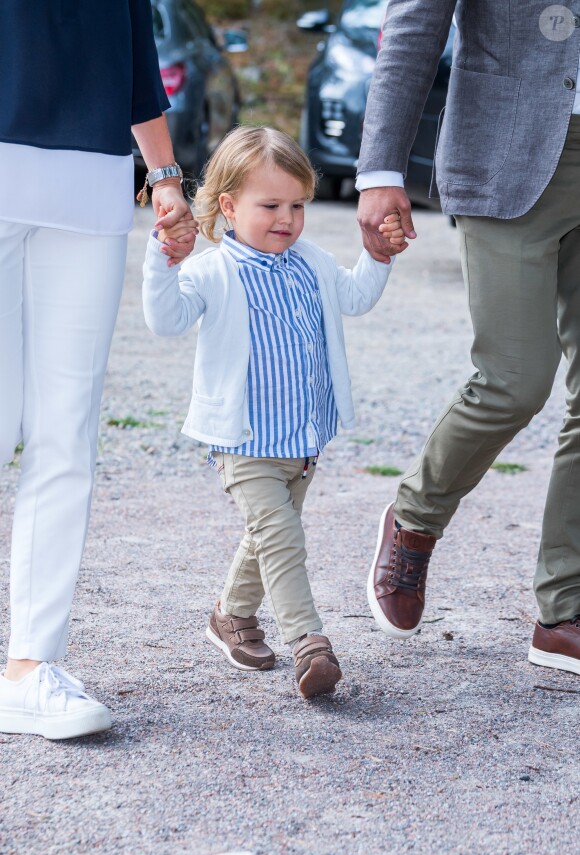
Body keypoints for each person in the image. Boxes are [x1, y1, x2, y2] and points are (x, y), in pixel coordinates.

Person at [357, 0, 580, 675]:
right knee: (514, 380)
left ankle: (563, 610)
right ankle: (416, 518)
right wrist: (378, 171)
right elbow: (415, 29)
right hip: (509, 151)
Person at [142, 126, 401, 698]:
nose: (287, 217)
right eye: (270, 205)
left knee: (268, 537)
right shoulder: (214, 270)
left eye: (297, 205)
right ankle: (310, 643)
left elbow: (355, 297)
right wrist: (163, 260)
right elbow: (165, 321)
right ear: (229, 206)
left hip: (303, 440)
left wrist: (377, 255)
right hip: (245, 441)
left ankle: (230, 616)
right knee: (282, 538)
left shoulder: (310, 262)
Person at [0, 1, 196, 740]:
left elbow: (132, 44)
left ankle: (29, 668)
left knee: (66, 435)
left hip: (90, 185)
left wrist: (166, 174)